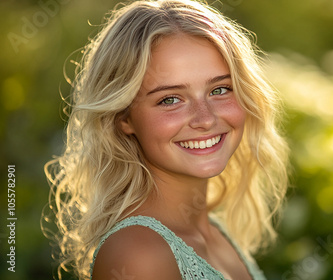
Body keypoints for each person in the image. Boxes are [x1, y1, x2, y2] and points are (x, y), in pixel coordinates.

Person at [43, 0, 289, 279]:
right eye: (170, 99)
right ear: (123, 118)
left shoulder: (214, 230)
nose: (205, 119)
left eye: (220, 89)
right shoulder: (138, 254)